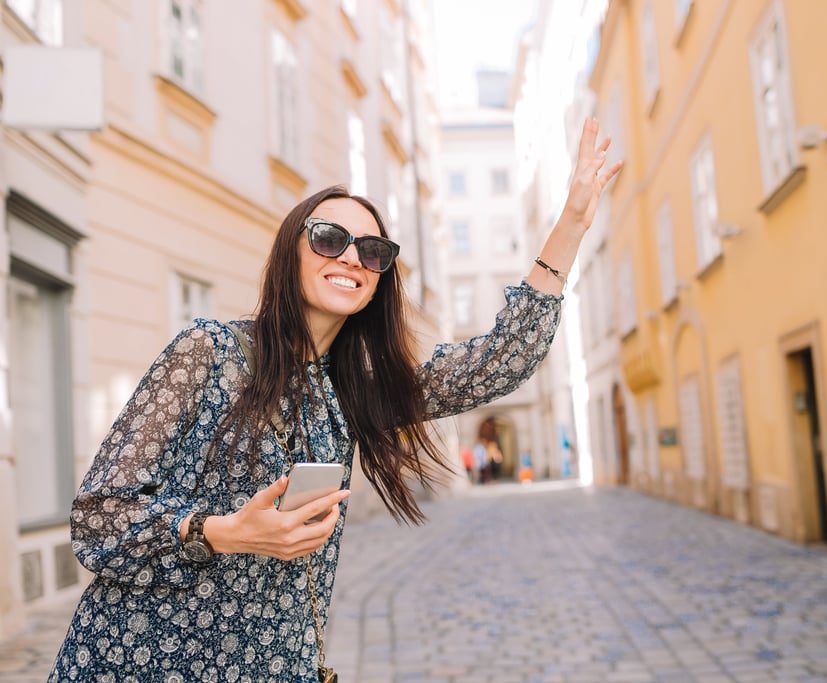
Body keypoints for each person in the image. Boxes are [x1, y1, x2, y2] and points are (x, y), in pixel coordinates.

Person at [48, 118, 621, 682]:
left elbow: (498, 363)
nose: (351, 258)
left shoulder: (354, 390)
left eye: (372, 250)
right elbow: (97, 520)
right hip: (143, 658)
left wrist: (570, 224)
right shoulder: (207, 351)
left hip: (277, 665)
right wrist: (224, 532)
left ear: (381, 276)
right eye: (329, 239)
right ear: (290, 252)